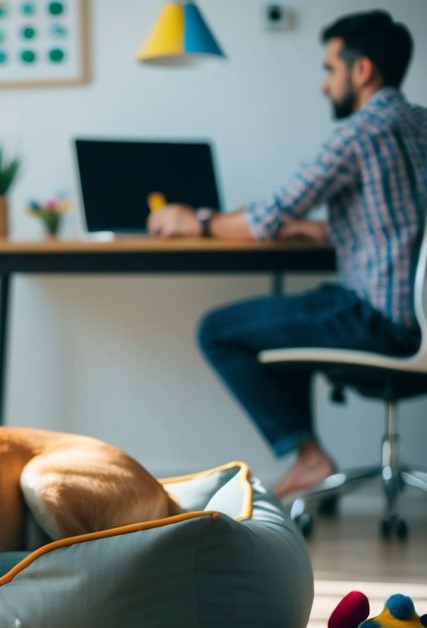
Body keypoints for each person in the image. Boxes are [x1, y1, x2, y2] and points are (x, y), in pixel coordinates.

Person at [148, 9, 426, 501]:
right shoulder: (418, 125)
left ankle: (310, 457)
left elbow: (268, 216)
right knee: (291, 316)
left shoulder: (361, 133)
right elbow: (403, 225)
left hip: (381, 321)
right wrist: (319, 229)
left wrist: (199, 222)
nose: (324, 85)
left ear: (361, 71)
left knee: (220, 331)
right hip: (415, 319)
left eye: (329, 69)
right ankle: (309, 457)